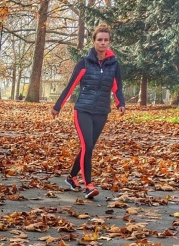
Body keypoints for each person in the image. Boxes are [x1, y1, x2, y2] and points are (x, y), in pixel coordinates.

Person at [51, 24, 126, 200]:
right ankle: (89, 185)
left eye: (106, 40)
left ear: (109, 42)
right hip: (83, 110)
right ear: (93, 42)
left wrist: (120, 103)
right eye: (99, 40)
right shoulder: (84, 62)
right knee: (88, 146)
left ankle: (71, 177)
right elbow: (71, 86)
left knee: (88, 146)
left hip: (101, 111)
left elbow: (117, 86)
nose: (102, 43)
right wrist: (57, 106)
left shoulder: (114, 64)